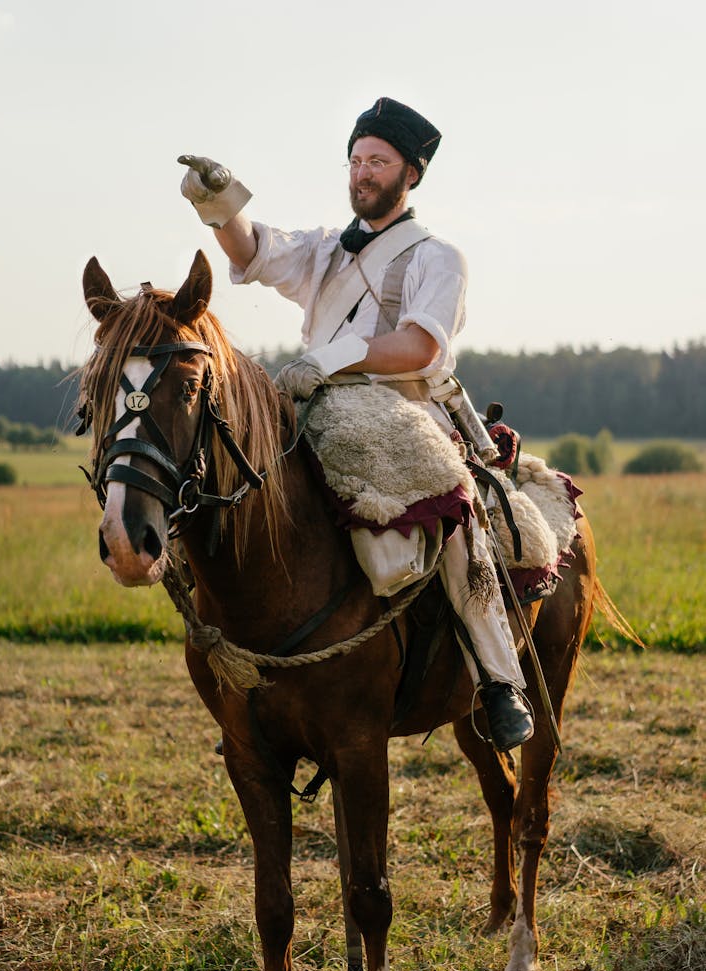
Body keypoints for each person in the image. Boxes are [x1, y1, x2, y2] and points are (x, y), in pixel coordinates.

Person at [178, 96, 534, 752]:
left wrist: (334, 356)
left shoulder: (438, 256)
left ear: (411, 174)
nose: (362, 172)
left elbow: (422, 348)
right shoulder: (326, 251)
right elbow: (255, 249)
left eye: (378, 161)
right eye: (356, 160)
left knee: (457, 514)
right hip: (318, 411)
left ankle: (496, 678)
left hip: (404, 415)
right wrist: (219, 204)